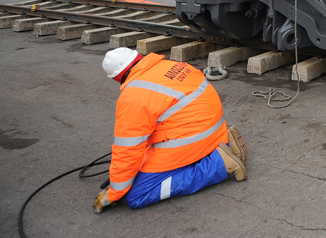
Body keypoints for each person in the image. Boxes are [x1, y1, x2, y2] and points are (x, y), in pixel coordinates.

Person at [93, 47, 248, 213]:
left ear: (117, 78)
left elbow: (128, 150)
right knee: (143, 160)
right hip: (214, 131)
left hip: (192, 139)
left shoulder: (133, 96)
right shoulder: (171, 65)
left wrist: (115, 192)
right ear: (139, 57)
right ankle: (224, 148)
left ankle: (219, 164)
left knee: (137, 195)